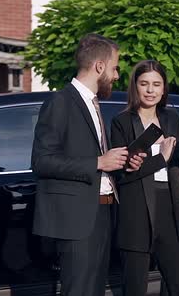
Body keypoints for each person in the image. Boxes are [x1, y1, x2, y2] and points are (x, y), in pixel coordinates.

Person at [31, 33, 145, 296]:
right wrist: (98, 161)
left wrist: (121, 162)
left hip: (103, 213)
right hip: (76, 217)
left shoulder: (93, 104)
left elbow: (94, 159)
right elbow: (42, 161)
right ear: (100, 67)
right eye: (115, 68)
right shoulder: (60, 102)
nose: (117, 76)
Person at [111, 60, 179, 296]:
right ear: (135, 87)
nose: (150, 90)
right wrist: (160, 158)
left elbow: (178, 165)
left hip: (170, 211)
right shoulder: (121, 122)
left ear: (163, 89)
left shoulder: (172, 118)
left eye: (156, 84)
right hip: (135, 213)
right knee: (135, 288)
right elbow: (121, 175)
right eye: (144, 84)